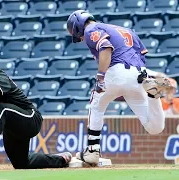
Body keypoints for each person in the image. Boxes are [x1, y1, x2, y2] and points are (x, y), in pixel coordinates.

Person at [66, 10, 172, 166]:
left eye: (77, 35)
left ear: (77, 26)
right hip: (138, 75)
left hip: (115, 72)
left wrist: (101, 76)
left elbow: (105, 47)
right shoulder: (125, 30)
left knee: (96, 104)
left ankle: (93, 151)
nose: (80, 39)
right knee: (155, 127)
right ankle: (153, 95)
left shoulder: (90, 29)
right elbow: (140, 55)